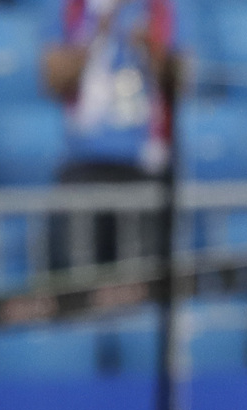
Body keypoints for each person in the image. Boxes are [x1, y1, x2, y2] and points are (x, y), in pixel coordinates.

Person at [42, 0, 177, 269]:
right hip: (83, 162)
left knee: (143, 281)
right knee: (78, 279)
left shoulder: (157, 8)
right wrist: (95, 34)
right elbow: (54, 78)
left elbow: (181, 79)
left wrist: (151, 47)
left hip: (145, 162)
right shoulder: (74, 8)